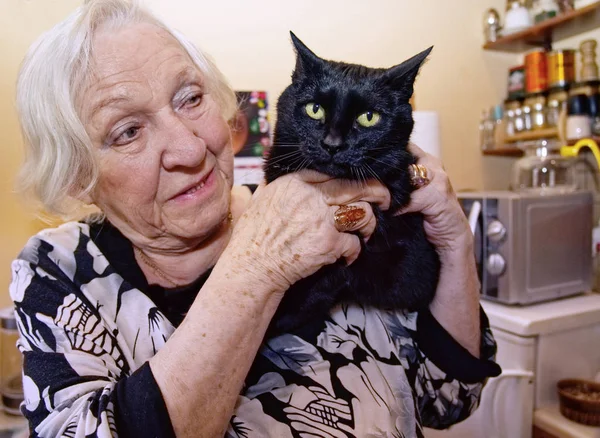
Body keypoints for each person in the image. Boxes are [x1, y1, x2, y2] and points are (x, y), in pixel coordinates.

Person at [9, 1, 501, 437]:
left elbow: (448, 398)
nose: (189, 147)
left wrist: (454, 240)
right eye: (128, 130)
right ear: (77, 177)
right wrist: (257, 266)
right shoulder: (60, 269)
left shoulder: (329, 209)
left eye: (190, 98)